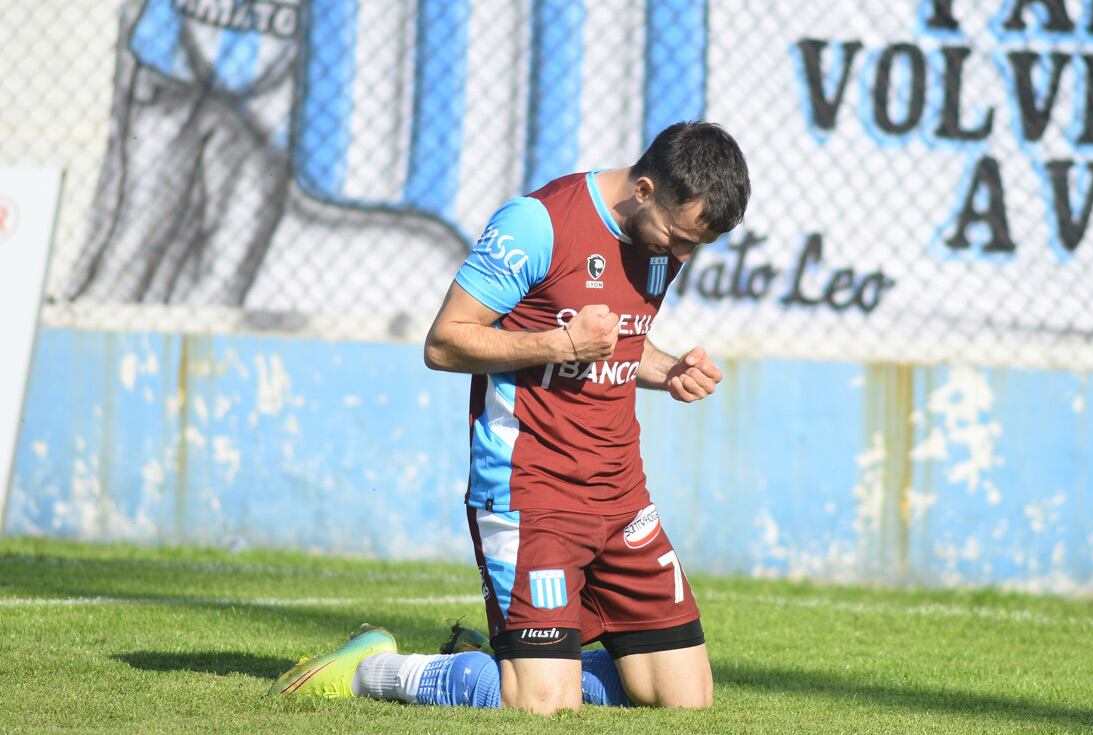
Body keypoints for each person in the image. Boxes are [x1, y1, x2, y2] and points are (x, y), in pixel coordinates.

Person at [269, 121, 751, 713]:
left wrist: (669, 369)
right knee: (545, 706)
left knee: (686, 699)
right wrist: (562, 345)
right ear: (645, 189)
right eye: (677, 238)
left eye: (695, 246)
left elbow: (620, 343)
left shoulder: (658, 241)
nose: (681, 256)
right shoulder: (536, 224)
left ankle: (517, 662)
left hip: (621, 496)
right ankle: (373, 669)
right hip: (533, 490)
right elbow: (445, 343)